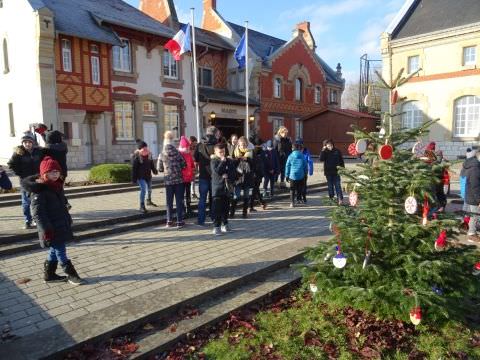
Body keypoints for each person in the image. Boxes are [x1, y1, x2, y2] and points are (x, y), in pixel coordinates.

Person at [22, 156, 83, 285]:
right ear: (44, 174)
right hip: (50, 228)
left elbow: (62, 203)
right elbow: (38, 214)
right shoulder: (39, 191)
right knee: (60, 250)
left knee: (55, 249)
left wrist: (67, 214)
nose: (55, 174)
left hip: (60, 223)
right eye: (51, 172)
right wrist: (46, 230)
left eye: (56, 172)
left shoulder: (57, 186)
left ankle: (49, 275)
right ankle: (71, 275)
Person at [8, 132, 43, 229]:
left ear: (33, 142)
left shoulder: (38, 151)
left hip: (37, 180)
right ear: (22, 143)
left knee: (37, 201)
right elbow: (11, 164)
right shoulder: (19, 152)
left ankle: (37, 219)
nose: (27, 144)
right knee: (26, 202)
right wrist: (20, 173)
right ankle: (28, 220)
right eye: (25, 142)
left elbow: (44, 161)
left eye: (29, 142)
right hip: (25, 181)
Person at [158, 131, 186, 229]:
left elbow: (159, 168)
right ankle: (180, 221)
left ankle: (169, 221)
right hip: (178, 180)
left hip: (168, 181)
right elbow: (184, 164)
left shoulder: (162, 154)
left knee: (169, 202)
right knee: (179, 201)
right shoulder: (177, 152)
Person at [210, 143, 236, 236]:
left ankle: (225, 224)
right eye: (220, 152)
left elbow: (233, 172)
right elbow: (217, 171)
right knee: (217, 209)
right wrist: (222, 162)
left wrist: (228, 175)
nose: (222, 154)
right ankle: (216, 227)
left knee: (226, 208)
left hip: (226, 189)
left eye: (223, 152)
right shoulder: (214, 161)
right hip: (217, 189)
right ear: (215, 152)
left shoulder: (229, 160)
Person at [194, 126, 218, 225]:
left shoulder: (199, 145)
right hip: (214, 175)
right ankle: (214, 218)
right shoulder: (217, 145)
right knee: (214, 198)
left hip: (203, 175)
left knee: (202, 198)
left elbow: (196, 158)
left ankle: (201, 220)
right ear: (215, 133)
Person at [132, 140, 158, 213]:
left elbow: (151, 164)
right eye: (144, 148)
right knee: (143, 189)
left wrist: (154, 170)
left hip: (148, 176)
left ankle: (148, 200)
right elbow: (134, 168)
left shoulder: (149, 155)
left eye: (146, 148)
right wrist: (134, 178)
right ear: (140, 150)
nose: (146, 149)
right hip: (140, 177)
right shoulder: (137, 157)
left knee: (149, 189)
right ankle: (142, 205)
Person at [232, 136, 254, 218]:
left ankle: (244, 213)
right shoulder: (235, 152)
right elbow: (232, 164)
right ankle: (232, 213)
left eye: (244, 145)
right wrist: (237, 159)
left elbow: (253, 165)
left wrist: (248, 159)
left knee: (246, 196)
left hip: (247, 178)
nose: (243, 146)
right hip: (238, 178)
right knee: (236, 196)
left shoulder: (250, 152)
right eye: (241, 145)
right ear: (238, 144)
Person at [462, 149, 480, 243]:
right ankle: (472, 234)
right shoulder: (475, 168)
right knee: (475, 215)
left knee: (472, 214)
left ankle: (471, 231)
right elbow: (475, 185)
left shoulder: (472, 165)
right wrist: (479, 199)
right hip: (473, 196)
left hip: (469, 195)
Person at [320, 139, 345, 205]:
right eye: (327, 145)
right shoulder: (325, 152)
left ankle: (340, 199)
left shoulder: (337, 151)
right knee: (330, 186)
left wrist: (342, 169)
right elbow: (321, 159)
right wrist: (323, 150)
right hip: (328, 172)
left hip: (336, 172)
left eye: (330, 144)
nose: (329, 146)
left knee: (338, 185)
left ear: (332, 144)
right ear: (325, 146)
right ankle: (331, 198)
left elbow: (341, 161)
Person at [285, 139, 308, 208]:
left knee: (292, 189)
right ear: (298, 148)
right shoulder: (302, 156)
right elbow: (305, 165)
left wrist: (287, 175)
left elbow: (287, 166)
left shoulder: (290, 156)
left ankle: (292, 202)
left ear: (293, 149)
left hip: (292, 175)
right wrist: (305, 173)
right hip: (301, 175)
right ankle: (298, 199)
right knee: (299, 188)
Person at [178, 136, 195, 217]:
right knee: (182, 195)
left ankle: (189, 208)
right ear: (182, 147)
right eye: (187, 147)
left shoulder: (189, 154)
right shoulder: (179, 155)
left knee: (188, 194)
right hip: (181, 179)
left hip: (188, 178)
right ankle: (183, 210)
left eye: (188, 147)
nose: (188, 149)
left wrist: (193, 170)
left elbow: (192, 164)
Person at [249, 136, 267, 211]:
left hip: (255, 173)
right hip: (257, 173)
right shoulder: (260, 151)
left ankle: (262, 203)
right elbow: (264, 162)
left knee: (256, 189)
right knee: (255, 190)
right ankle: (251, 206)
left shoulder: (252, 151)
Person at [189, 136, 199, 200]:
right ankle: (189, 193)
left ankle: (193, 193)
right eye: (194, 142)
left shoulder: (196, 148)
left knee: (193, 180)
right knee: (189, 181)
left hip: (194, 166)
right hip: (189, 167)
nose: (195, 144)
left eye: (196, 142)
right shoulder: (188, 148)